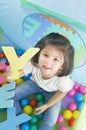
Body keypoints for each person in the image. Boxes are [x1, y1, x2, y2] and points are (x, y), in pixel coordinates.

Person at [7, 32, 74, 130]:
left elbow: (62, 92)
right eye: (45, 55)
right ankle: (16, 123)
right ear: (38, 53)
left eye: (56, 59)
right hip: (34, 83)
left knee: (50, 121)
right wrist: (11, 75)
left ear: (62, 66)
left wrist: (47, 105)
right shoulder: (33, 64)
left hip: (53, 92)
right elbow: (15, 77)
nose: (48, 62)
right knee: (10, 96)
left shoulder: (64, 80)